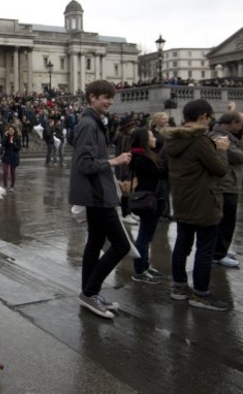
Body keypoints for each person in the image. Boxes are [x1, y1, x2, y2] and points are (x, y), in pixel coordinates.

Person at [69, 80, 132, 320]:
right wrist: (113, 162)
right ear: (92, 97)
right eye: (106, 97)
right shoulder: (88, 124)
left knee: (95, 241)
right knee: (121, 246)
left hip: (95, 193)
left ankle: (89, 292)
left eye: (112, 97)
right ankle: (90, 292)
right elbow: (84, 164)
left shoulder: (93, 123)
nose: (110, 102)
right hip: (96, 194)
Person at [163, 99, 230, 311]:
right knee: (205, 248)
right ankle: (201, 293)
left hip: (182, 200)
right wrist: (221, 149)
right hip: (203, 201)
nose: (210, 122)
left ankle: (179, 287)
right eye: (209, 117)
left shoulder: (173, 141)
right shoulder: (200, 141)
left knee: (182, 245)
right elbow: (220, 169)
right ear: (203, 116)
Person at [208, 111, 243, 268]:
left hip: (229, 183)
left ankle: (221, 249)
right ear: (232, 123)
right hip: (225, 185)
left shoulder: (226, 136)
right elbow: (240, 157)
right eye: (241, 124)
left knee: (225, 220)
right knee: (226, 221)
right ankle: (218, 254)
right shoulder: (218, 137)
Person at [129, 127, 167, 284]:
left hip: (153, 199)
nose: (155, 139)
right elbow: (162, 172)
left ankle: (145, 265)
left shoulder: (145, 155)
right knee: (144, 237)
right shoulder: (140, 158)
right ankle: (139, 270)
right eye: (152, 136)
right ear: (144, 140)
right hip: (147, 201)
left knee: (147, 236)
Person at [1, 125, 21, 192]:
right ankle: (5, 185)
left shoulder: (17, 138)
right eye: (9, 130)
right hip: (6, 156)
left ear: (14, 131)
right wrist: (5, 136)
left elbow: (18, 148)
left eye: (12, 130)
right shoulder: (6, 137)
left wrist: (13, 144)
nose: (10, 131)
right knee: (5, 171)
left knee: (13, 172)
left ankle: (12, 186)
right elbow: (2, 144)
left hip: (14, 157)